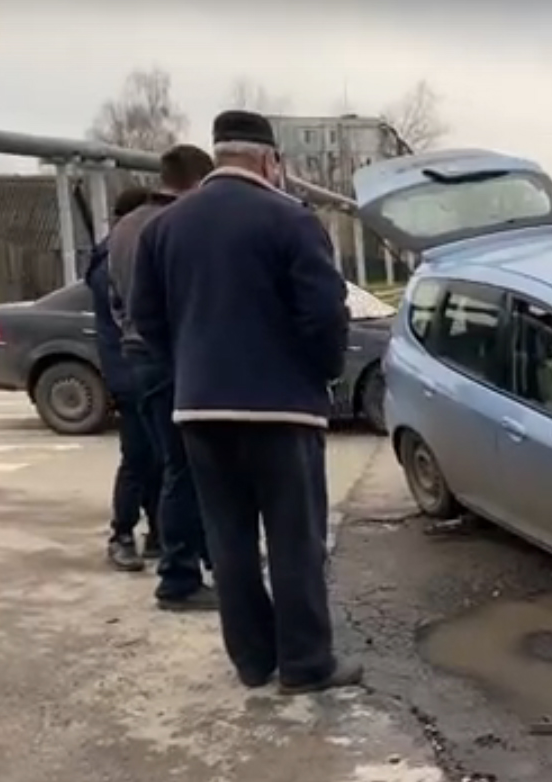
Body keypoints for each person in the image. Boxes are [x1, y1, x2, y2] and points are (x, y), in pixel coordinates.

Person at [128, 110, 361, 694]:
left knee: (228, 539)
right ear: (269, 160)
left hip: (201, 410)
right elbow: (324, 314)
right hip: (282, 411)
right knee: (294, 539)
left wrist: (192, 369)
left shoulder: (165, 227)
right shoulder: (292, 221)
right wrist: (322, 374)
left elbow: (147, 320)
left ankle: (253, 662)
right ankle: (306, 665)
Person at [107, 145, 217, 611]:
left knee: (176, 466)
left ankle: (201, 558)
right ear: (196, 182)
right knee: (187, 469)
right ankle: (179, 577)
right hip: (171, 355)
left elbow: (118, 302)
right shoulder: (179, 226)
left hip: (139, 356)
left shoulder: (124, 228)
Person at [89, 185, 160, 571]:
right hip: (129, 370)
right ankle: (122, 534)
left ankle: (158, 532)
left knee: (156, 458)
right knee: (137, 458)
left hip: (138, 367)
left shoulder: (116, 251)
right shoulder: (112, 259)